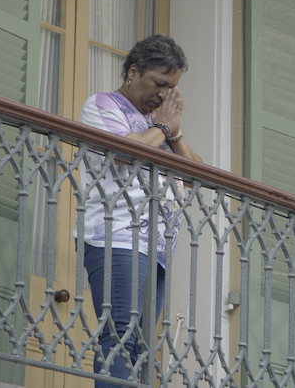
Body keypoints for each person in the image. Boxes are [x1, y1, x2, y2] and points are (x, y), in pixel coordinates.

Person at [78, 34, 202, 388]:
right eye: (159, 83)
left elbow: (196, 173)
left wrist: (174, 134)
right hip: (117, 238)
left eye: (172, 88)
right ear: (133, 72)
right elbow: (122, 151)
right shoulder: (102, 105)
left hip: (156, 248)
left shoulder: (159, 126)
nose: (164, 95)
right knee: (119, 335)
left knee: (141, 347)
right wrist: (161, 128)